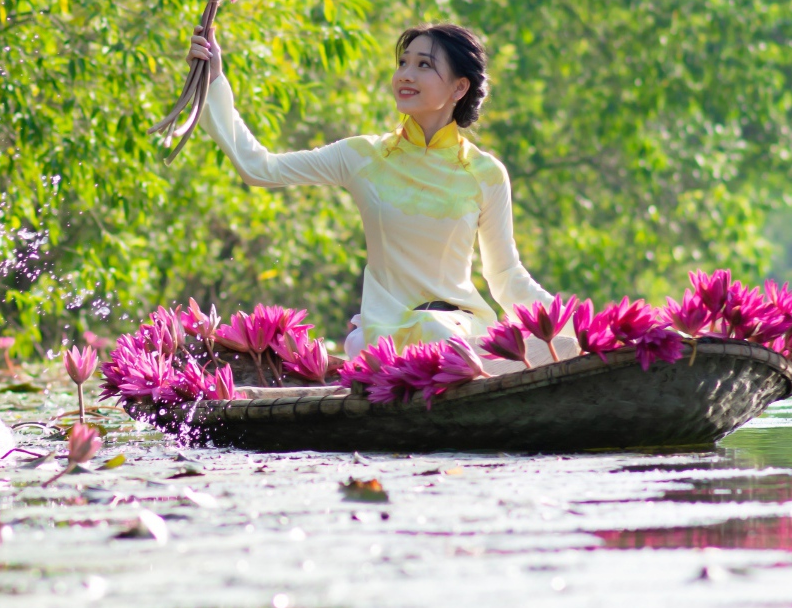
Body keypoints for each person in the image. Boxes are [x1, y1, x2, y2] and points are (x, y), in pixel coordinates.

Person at [190, 21, 570, 366]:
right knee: (435, 338)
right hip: (383, 338)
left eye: (423, 65)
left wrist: (576, 330)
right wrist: (215, 80)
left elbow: (504, 275)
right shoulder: (364, 156)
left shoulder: (486, 174)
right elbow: (260, 168)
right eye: (403, 62)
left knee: (545, 347)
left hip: (458, 330)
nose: (405, 75)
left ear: (459, 86)